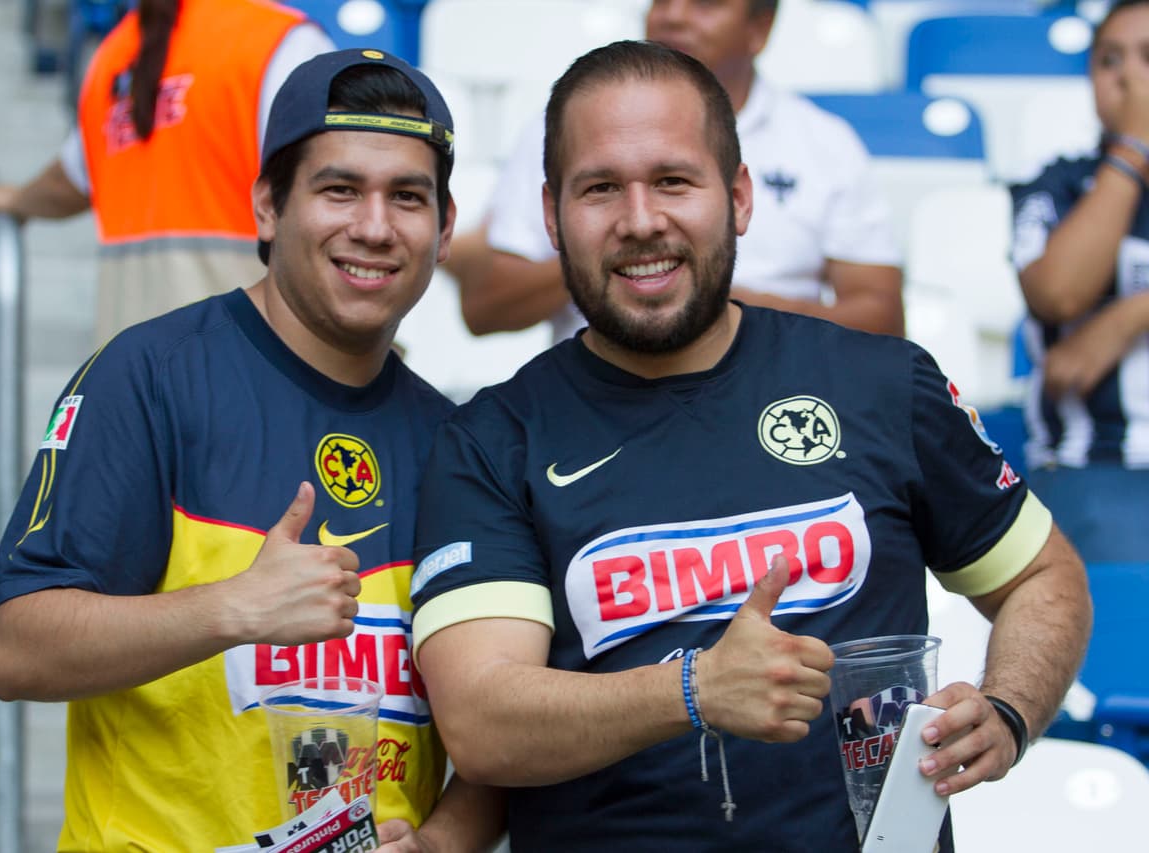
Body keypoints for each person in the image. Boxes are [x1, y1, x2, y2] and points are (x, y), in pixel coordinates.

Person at [409, 41, 1091, 851]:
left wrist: (1008, 709)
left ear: (738, 198)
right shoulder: (493, 438)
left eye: (673, 180)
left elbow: (1045, 578)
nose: (639, 220)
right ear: (553, 214)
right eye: (600, 189)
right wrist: (693, 690)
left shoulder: (880, 382)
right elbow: (483, 723)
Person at [0, 48, 502, 852]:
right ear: (267, 206)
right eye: (339, 189)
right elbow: (16, 650)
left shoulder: (455, 441)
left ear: (444, 226)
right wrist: (233, 610)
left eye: (407, 197)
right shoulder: (151, 375)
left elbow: (498, 733)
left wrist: (438, 843)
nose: (374, 225)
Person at [446, 0, 903, 344]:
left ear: (759, 29)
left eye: (705, 3)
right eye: (602, 186)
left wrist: (719, 299)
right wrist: (626, 263)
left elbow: (883, 322)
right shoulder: (574, 126)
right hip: (595, 406)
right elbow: (487, 307)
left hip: (773, 397)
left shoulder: (825, 143)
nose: (673, 16)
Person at [0, 0, 334, 344]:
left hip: (131, 367)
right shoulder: (279, 41)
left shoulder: (114, 53)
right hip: (249, 357)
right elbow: (340, 185)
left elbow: (70, 179)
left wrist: (15, 201)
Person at [1010, 0, 1149, 564]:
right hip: (1095, 470)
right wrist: (1134, 148)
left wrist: (1128, 316)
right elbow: (1058, 292)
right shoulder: (1057, 186)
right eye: (1109, 60)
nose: (1128, 76)